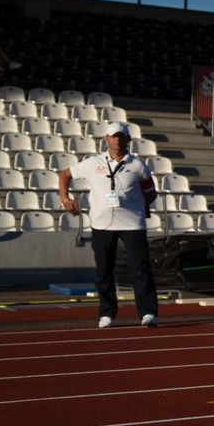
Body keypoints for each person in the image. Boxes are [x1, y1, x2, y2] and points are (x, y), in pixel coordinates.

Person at [58, 121, 159, 328]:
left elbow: (151, 194)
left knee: (140, 269)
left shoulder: (139, 166)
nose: (117, 140)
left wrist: (135, 207)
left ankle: (147, 312)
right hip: (102, 223)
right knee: (103, 270)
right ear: (106, 139)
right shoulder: (92, 162)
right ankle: (107, 313)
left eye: (121, 136)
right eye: (113, 136)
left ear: (128, 139)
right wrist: (66, 200)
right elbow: (65, 174)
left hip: (132, 224)